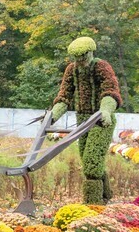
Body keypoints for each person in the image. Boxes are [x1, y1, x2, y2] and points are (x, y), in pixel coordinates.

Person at [50, 36, 122, 204]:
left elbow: (110, 92)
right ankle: (106, 197)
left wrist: (105, 110)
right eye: (76, 58)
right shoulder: (71, 70)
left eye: (83, 57)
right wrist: (52, 116)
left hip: (101, 120)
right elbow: (64, 96)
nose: (80, 61)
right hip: (82, 120)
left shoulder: (101, 67)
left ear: (90, 52)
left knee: (92, 160)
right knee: (88, 160)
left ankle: (93, 203)